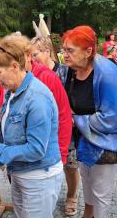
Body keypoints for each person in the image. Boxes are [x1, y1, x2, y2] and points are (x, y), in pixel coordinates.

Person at [0, 34, 63, 218]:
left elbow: (36, 149)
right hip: (20, 172)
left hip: (38, 178)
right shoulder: (12, 91)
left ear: (15, 66)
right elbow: (11, 132)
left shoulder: (37, 98)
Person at [61, 25, 117, 218]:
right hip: (85, 138)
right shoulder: (73, 70)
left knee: (101, 191)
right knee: (86, 179)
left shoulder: (107, 73)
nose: (64, 55)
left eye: (70, 50)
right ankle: (88, 214)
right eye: (63, 50)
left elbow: (112, 117)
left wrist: (75, 119)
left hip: (107, 141)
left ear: (88, 51)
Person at [30, 36, 79, 216]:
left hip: (66, 126)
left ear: (47, 52)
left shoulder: (66, 72)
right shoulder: (32, 73)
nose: (31, 59)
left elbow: (75, 96)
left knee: (70, 165)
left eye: (34, 54)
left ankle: (72, 196)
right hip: (44, 128)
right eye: (29, 55)